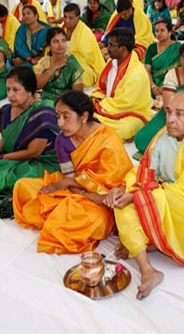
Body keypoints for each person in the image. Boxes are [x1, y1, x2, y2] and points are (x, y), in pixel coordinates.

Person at [109, 90, 184, 300]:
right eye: (169, 112)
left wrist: (140, 197)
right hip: (163, 195)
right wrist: (127, 190)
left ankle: (150, 240)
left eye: (180, 114)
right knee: (123, 200)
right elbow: (147, 174)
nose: (171, 119)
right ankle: (147, 268)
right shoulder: (163, 136)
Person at [12, 91, 132, 254]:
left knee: (94, 219)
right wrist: (78, 189)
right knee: (23, 187)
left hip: (106, 200)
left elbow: (114, 185)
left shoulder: (107, 138)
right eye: (58, 116)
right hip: (81, 192)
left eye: (66, 116)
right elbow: (69, 179)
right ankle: (61, 215)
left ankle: (60, 216)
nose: (60, 123)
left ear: (83, 116)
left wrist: (78, 187)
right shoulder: (62, 140)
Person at [0, 66, 60, 198]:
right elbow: (6, 136)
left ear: (30, 90)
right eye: (8, 89)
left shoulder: (42, 113)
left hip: (40, 163)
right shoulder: (9, 110)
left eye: (16, 90)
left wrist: (0, 158)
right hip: (14, 158)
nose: (10, 95)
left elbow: (33, 152)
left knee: (19, 177)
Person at [91, 28, 153, 141]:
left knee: (126, 128)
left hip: (133, 112)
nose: (107, 48)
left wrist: (100, 106)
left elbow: (125, 103)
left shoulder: (137, 73)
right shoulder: (112, 62)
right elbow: (103, 88)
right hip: (110, 106)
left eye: (111, 45)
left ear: (123, 49)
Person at [33, 27, 84, 104]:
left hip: (66, 102)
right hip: (46, 101)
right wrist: (53, 67)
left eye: (63, 41)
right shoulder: (44, 62)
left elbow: (77, 93)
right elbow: (37, 85)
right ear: (49, 45)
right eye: (56, 41)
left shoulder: (72, 62)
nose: (60, 45)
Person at [61, 3, 105, 88]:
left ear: (78, 17)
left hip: (81, 65)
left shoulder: (85, 33)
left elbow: (86, 59)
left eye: (70, 18)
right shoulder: (61, 28)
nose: (67, 21)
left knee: (83, 75)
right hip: (61, 60)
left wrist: (68, 60)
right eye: (65, 17)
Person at [144, 20, 180, 92]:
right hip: (154, 83)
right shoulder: (152, 48)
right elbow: (147, 71)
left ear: (169, 32)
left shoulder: (178, 47)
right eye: (157, 31)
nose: (159, 33)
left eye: (162, 30)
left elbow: (181, 69)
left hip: (174, 82)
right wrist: (153, 86)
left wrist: (166, 85)